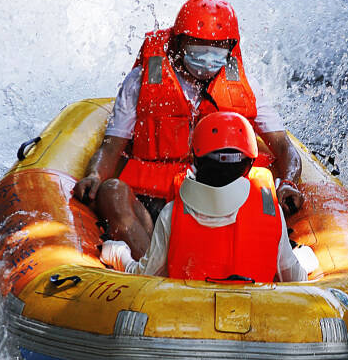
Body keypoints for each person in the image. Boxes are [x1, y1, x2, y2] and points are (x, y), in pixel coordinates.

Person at [73, 0, 303, 259]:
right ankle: (152, 268)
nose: (208, 56)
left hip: (221, 201)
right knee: (111, 191)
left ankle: (230, 262)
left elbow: (284, 147)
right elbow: (111, 147)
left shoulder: (245, 85)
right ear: (179, 42)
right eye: (199, 46)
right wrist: (94, 175)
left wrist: (288, 183)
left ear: (230, 47)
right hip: (154, 200)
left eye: (217, 47)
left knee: (263, 191)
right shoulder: (141, 80)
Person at [100, 112, 314, 282]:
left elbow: (145, 275)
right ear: (249, 165)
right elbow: (295, 278)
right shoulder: (271, 212)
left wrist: (119, 254)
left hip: (186, 313)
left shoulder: (171, 214)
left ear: (196, 161)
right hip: (253, 312)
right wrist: (305, 260)